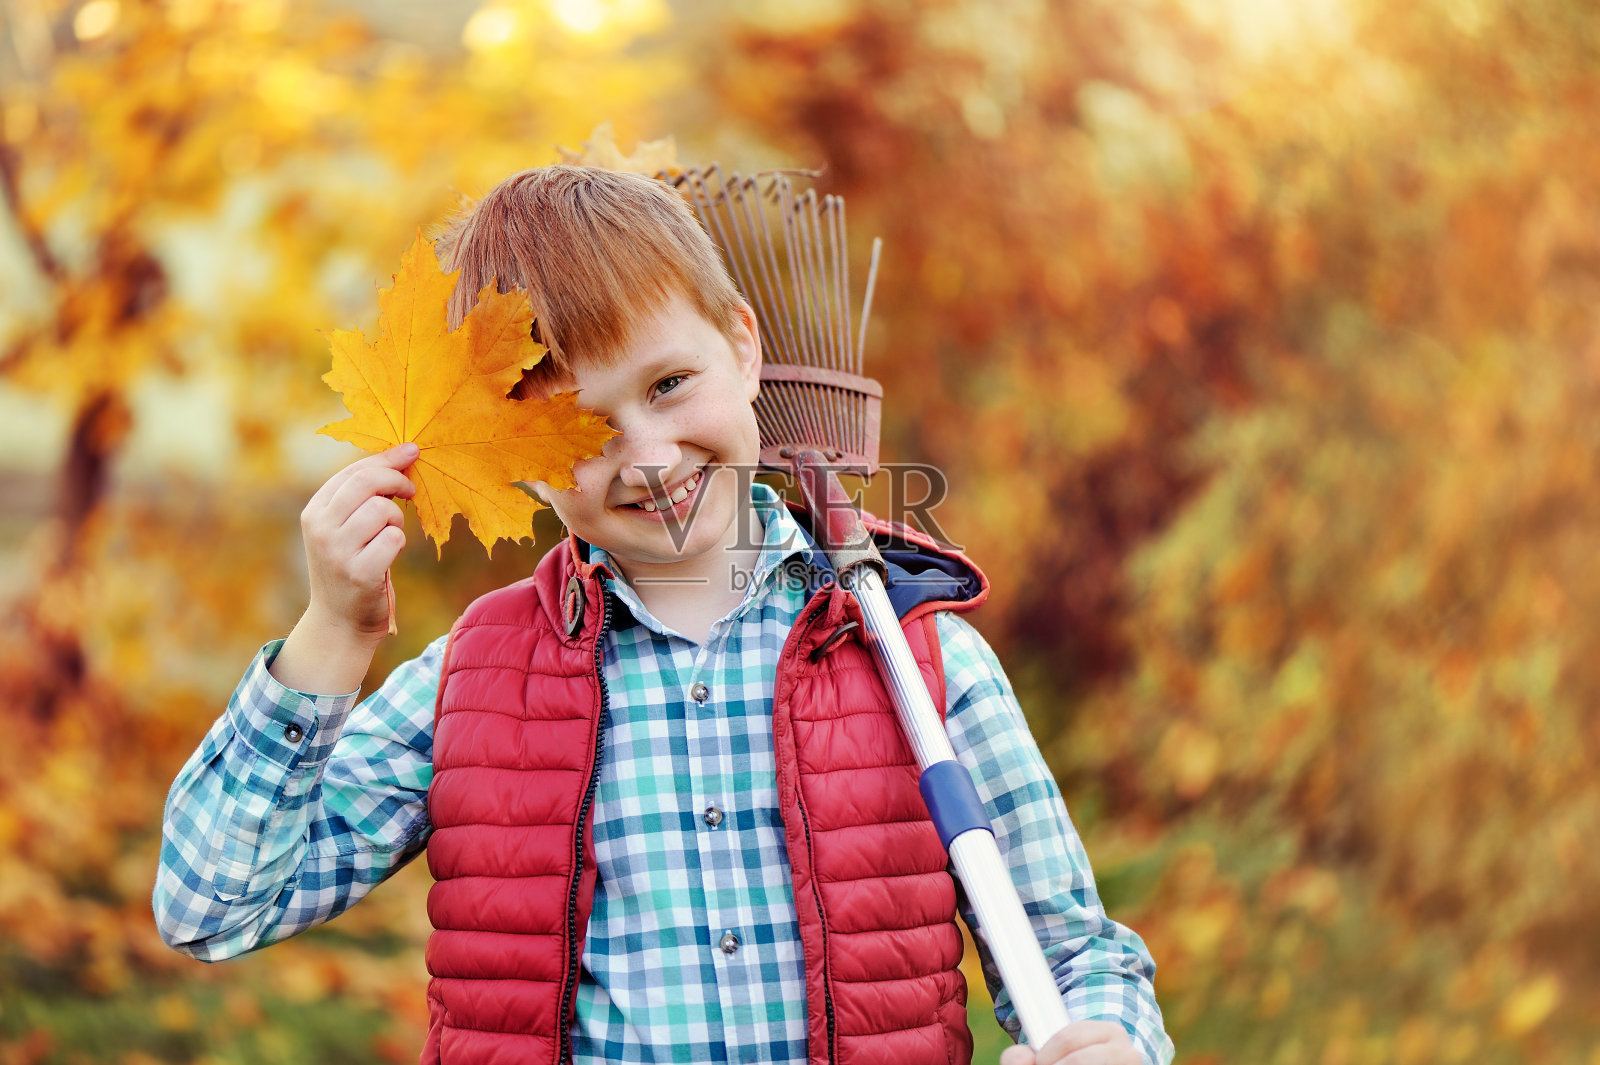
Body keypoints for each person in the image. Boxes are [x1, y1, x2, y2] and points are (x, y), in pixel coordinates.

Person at [154, 165, 1173, 1065]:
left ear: (742, 346)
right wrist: (335, 629)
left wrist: (1105, 1039)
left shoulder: (917, 659)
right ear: (513, 453)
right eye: (583, 429)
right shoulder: (474, 682)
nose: (645, 459)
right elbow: (213, 908)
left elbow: (1077, 954)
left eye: (670, 384)